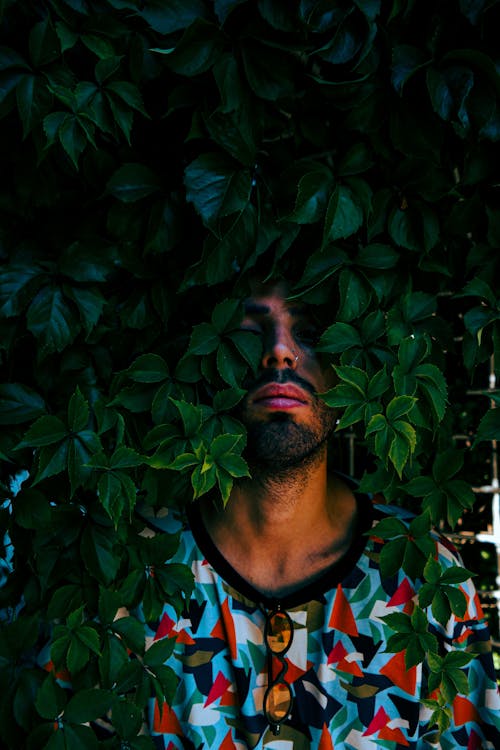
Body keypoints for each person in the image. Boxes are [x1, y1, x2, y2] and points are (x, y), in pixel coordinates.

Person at [140, 279, 500, 749]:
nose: (280, 353)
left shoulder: (427, 575)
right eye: (252, 330)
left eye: (308, 331)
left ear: (351, 364)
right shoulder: (135, 566)